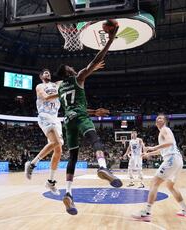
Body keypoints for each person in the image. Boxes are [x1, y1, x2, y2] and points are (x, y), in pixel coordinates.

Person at [56, 25, 122, 215]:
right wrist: (110, 39)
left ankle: (68, 193)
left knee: (73, 157)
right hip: (80, 118)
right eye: (70, 67)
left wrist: (94, 112)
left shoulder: (61, 90)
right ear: (68, 72)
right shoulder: (78, 78)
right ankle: (103, 168)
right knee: (95, 140)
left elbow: (72, 107)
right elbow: (96, 58)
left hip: (68, 122)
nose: (73, 67)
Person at [132, 114, 186, 222]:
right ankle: (185, 210)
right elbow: (164, 149)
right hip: (177, 160)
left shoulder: (164, 129)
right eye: (157, 118)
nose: (158, 119)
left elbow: (170, 142)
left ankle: (147, 212)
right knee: (170, 186)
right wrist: (150, 153)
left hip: (172, 159)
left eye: (161, 118)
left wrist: (153, 147)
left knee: (154, 182)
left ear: (165, 121)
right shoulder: (163, 132)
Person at [25, 69, 63, 195]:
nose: (48, 74)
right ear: (41, 76)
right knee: (56, 142)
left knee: (58, 149)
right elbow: (46, 98)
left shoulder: (56, 85)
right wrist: (60, 94)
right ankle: (32, 164)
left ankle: (50, 182)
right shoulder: (40, 86)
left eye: (49, 72)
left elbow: (72, 80)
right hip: (44, 115)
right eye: (45, 73)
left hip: (55, 118)